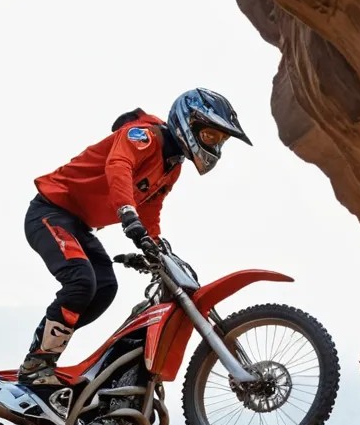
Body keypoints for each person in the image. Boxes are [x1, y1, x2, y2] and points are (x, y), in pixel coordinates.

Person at [18, 88, 252, 387]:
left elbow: (152, 207)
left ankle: (52, 348)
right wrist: (128, 214)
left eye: (221, 140)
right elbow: (118, 167)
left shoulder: (172, 167)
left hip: (79, 224)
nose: (215, 145)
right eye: (210, 136)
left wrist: (155, 246)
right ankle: (36, 364)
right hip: (50, 212)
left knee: (104, 288)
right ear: (188, 122)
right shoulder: (143, 136)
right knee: (81, 280)